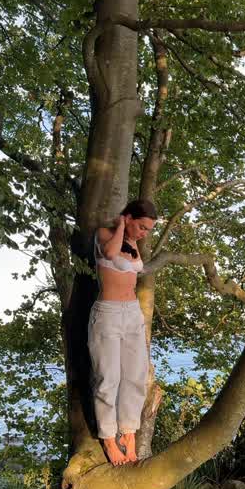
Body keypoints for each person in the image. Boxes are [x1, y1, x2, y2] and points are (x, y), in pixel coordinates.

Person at [88, 199, 157, 466]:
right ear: (128, 217)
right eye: (141, 227)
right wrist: (120, 226)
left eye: (148, 230)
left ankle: (128, 432)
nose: (144, 233)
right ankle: (108, 437)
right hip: (108, 314)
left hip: (132, 313)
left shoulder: (132, 242)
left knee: (135, 375)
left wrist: (131, 234)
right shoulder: (105, 234)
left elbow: (133, 266)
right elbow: (109, 254)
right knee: (109, 377)